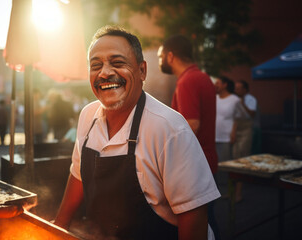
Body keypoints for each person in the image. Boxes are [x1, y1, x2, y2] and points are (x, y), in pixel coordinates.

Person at [54, 26, 220, 240]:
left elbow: (194, 219)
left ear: (142, 71)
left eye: (117, 62)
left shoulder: (169, 128)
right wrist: (57, 229)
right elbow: (77, 174)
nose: (104, 73)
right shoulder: (87, 116)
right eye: (96, 65)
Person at [158, 35, 220, 239]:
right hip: (206, 161)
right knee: (208, 221)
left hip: (194, 166)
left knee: (201, 226)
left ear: (171, 56)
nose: (159, 61)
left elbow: (192, 125)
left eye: (160, 56)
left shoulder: (187, 80)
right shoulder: (201, 76)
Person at [233, 80, 258, 202]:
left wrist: (242, 104)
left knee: (242, 159)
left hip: (246, 130)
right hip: (236, 128)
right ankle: (232, 191)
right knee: (233, 159)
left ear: (245, 89)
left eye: (239, 88)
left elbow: (252, 114)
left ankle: (238, 193)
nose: (236, 90)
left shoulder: (251, 99)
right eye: (235, 88)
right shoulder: (233, 99)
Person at [215, 76, 241, 162]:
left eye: (218, 83)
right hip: (214, 136)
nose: (215, 85)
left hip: (226, 137)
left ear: (225, 85)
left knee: (224, 162)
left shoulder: (235, 100)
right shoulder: (214, 98)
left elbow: (237, 118)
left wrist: (233, 133)